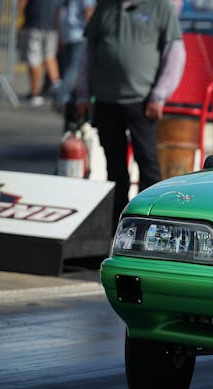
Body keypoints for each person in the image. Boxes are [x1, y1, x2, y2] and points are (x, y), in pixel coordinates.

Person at [76, 0, 186, 225]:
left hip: (143, 101)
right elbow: (88, 52)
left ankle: (149, 222)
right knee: (114, 166)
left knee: (147, 164)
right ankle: (117, 223)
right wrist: (82, 94)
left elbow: (175, 56)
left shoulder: (160, 8)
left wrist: (159, 95)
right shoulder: (105, 7)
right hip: (106, 100)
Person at [54, 0, 94, 122]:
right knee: (74, 70)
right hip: (79, 34)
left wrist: (60, 35)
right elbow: (89, 11)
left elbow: (59, 13)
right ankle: (60, 98)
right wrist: (93, 33)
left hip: (68, 34)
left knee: (71, 69)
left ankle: (66, 98)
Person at [18, 0, 62, 107]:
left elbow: (22, 4)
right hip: (52, 25)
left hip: (34, 23)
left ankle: (35, 93)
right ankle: (58, 90)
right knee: (50, 57)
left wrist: (18, 16)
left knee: (34, 59)